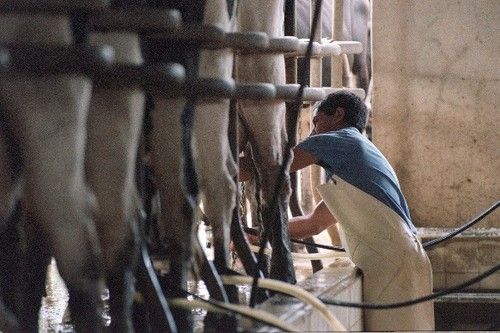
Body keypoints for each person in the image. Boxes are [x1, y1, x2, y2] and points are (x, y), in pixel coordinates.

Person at [240, 91, 435, 331]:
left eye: (317, 121)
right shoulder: (356, 163)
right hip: (405, 259)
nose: (312, 132)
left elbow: (272, 167)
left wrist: (214, 170)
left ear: (338, 115)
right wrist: (259, 234)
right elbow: (314, 224)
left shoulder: (341, 139)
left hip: (391, 264)